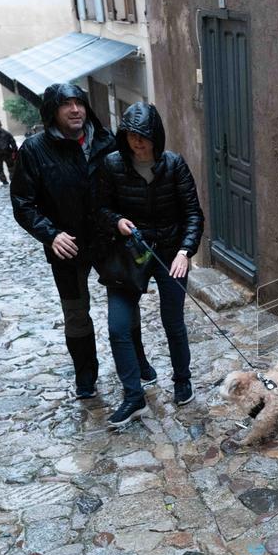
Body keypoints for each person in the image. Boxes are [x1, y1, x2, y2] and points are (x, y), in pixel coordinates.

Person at [96, 102, 204, 427]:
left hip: (170, 252)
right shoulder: (112, 164)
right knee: (118, 326)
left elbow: (193, 214)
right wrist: (117, 221)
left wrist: (185, 251)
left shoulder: (174, 164)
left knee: (173, 321)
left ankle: (182, 379)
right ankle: (134, 396)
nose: (137, 142)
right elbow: (100, 209)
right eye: (131, 136)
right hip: (129, 253)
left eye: (143, 136)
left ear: (156, 135)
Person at [10, 83, 119, 399]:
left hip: (107, 240)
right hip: (67, 248)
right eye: (66, 104)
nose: (75, 110)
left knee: (125, 304)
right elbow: (23, 203)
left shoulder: (106, 141)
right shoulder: (34, 150)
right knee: (75, 314)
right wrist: (51, 234)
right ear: (52, 111)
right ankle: (85, 375)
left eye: (79, 103)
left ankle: (136, 364)